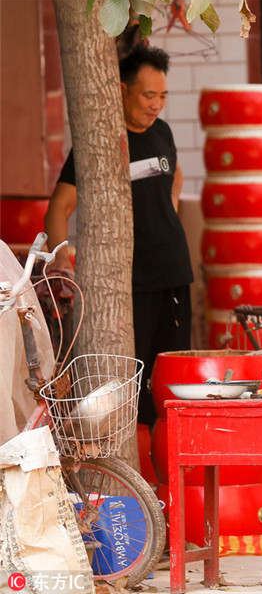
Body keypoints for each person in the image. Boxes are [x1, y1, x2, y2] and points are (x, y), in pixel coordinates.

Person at [44, 45, 192, 428]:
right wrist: (60, 257)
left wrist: (167, 214)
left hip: (174, 274)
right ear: (123, 90)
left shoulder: (162, 132)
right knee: (132, 381)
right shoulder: (101, 145)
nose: (156, 105)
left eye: (162, 96)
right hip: (130, 283)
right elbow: (58, 206)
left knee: (171, 380)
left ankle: (166, 474)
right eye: (148, 95)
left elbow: (174, 174)